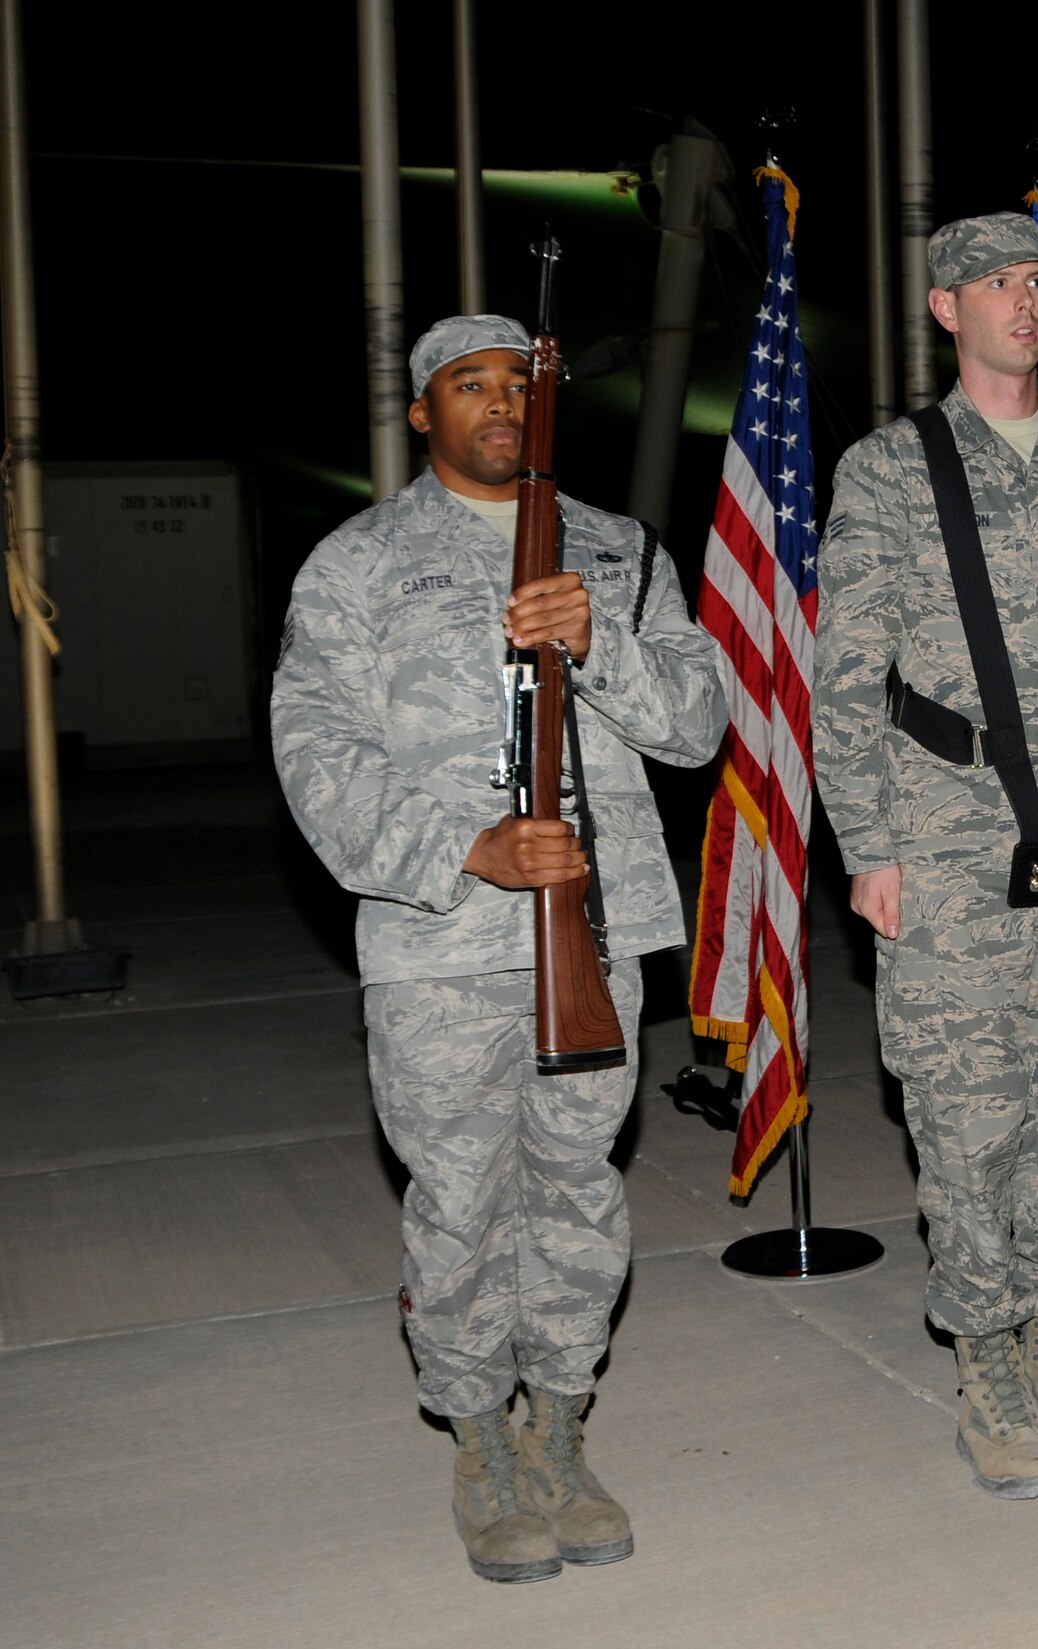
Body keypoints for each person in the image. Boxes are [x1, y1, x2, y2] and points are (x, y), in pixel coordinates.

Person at [270, 316, 725, 1581]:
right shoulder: (357, 562)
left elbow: (696, 722)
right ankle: (480, 1436)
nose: (496, 404)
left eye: (515, 383)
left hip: (592, 926)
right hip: (438, 942)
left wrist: (600, 640)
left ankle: (564, 1429)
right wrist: (459, 849)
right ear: (424, 412)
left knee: (578, 1184)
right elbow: (313, 751)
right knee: (461, 1196)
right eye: (466, 386)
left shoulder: (618, 551)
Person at [813, 213, 1038, 1498]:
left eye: (1036, 281)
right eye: (995, 284)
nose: (1024, 302)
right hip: (949, 843)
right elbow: (847, 674)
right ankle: (984, 1362)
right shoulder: (888, 470)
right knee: (967, 1115)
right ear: (942, 308)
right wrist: (867, 844)